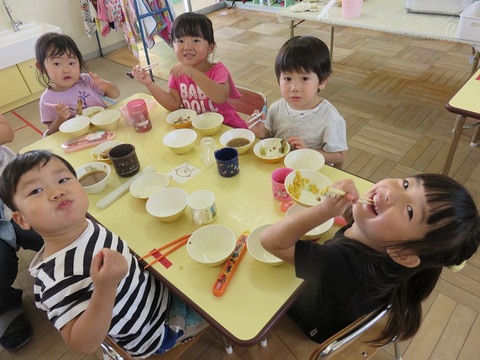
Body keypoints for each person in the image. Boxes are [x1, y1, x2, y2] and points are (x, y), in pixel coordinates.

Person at [0, 150, 207, 358]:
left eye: (63, 179)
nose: (56, 192)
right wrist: (105, 290)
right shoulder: (56, 279)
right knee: (221, 304)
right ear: (21, 220)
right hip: (157, 331)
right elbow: (83, 343)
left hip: (156, 291)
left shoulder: (83, 224)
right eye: (35, 191)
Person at [260, 174, 480, 345]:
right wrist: (353, 209)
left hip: (315, 324)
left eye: (410, 211)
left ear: (404, 254)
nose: (391, 193)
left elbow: (272, 242)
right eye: (406, 184)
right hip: (341, 306)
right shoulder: (395, 248)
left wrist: (322, 212)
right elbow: (362, 227)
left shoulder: (346, 265)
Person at [132, 12, 248, 129]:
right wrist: (149, 83)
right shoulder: (178, 72)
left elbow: (220, 97)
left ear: (210, 47)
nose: (187, 47)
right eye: (180, 41)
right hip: (199, 128)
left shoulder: (218, 71)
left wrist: (193, 73)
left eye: (196, 40)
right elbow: (173, 104)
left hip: (228, 128)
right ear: (173, 45)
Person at [251, 36, 347, 165]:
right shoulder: (276, 108)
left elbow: (339, 155)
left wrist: (308, 152)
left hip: (311, 171)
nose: (295, 88)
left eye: (305, 79)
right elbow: (270, 135)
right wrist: (260, 131)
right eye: (288, 79)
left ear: (322, 81)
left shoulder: (330, 118)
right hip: (280, 167)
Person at [0, 115, 44, 351]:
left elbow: (6, 131)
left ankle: (71, 266)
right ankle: (5, 304)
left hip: (15, 194)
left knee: (49, 231)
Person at [35, 32, 120, 135]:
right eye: (57, 64)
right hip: (78, 138)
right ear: (42, 68)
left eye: (71, 63)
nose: (66, 70)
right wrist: (61, 117)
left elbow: (116, 94)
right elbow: (52, 132)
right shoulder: (47, 100)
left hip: (105, 129)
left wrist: (105, 85)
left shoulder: (86, 80)